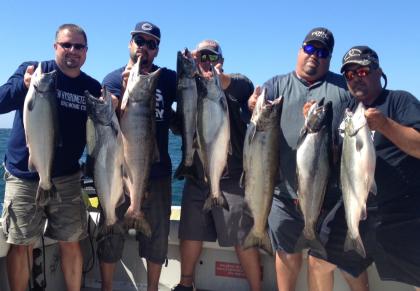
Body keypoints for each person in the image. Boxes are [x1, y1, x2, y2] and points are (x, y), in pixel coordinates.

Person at [248, 27, 370, 291]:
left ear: (329, 58)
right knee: (287, 256)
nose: (315, 55)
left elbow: (359, 134)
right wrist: (252, 105)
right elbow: (257, 126)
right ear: (300, 49)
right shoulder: (275, 85)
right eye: (310, 48)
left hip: (331, 197)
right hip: (282, 194)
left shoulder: (343, 89)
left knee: (346, 261)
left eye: (323, 52)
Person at [0, 24, 101, 291]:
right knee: (20, 244)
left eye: (78, 46)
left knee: (71, 241)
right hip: (24, 175)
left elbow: (103, 135)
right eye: (66, 45)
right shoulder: (33, 70)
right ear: (55, 46)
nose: (72, 51)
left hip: (67, 178)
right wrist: (22, 87)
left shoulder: (91, 87)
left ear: (86, 52)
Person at [172, 39, 262, 291]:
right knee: (189, 231)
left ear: (221, 60)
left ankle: (256, 288)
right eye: (201, 57)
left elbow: (245, 87)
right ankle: (185, 284)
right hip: (197, 177)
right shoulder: (189, 87)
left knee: (242, 236)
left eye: (212, 57)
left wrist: (221, 80)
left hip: (230, 178)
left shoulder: (234, 85)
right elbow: (180, 125)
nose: (206, 62)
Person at [97, 21, 176, 291]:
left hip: (158, 171)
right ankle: (107, 287)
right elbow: (106, 124)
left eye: (150, 43)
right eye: (139, 41)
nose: (144, 47)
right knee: (111, 233)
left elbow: (193, 96)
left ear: (157, 50)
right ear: (130, 43)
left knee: (158, 238)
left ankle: (152, 288)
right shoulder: (111, 80)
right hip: (119, 171)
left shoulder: (166, 77)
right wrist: (117, 102)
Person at [340, 45, 420, 290]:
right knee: (327, 259)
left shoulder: (399, 100)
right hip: (356, 209)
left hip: (402, 212)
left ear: (378, 72)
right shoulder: (348, 110)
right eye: (349, 75)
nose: (356, 78)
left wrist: (385, 125)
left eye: (362, 71)